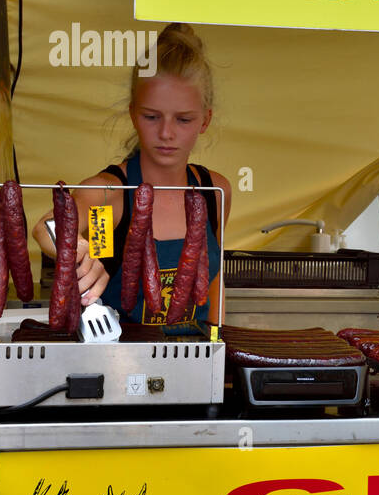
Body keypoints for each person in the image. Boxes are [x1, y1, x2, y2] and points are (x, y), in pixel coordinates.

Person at [31, 23, 231, 333]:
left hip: (198, 361)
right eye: (151, 116)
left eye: (183, 119)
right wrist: (78, 249)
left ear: (205, 120)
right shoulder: (108, 193)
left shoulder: (215, 191)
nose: (166, 133)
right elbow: (48, 226)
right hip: (120, 365)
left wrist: (218, 343)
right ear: (133, 113)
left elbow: (215, 279)